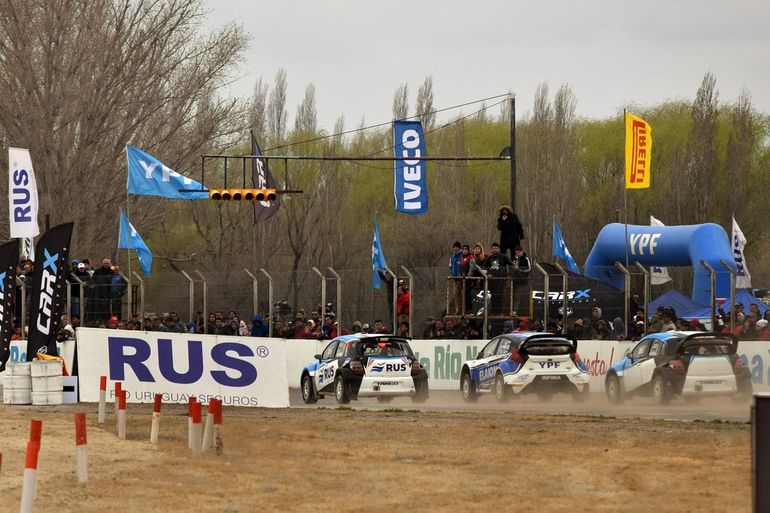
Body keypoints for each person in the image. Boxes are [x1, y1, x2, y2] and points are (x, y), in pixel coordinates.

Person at [483, 242, 514, 315]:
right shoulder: (489, 258)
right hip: (492, 281)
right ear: (491, 249)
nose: (494, 249)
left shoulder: (503, 257)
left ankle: (500, 312)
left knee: (500, 295)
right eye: (493, 248)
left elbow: (511, 265)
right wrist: (488, 274)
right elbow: (484, 268)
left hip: (501, 280)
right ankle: (494, 311)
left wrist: (509, 274)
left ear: (499, 249)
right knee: (493, 296)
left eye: (496, 248)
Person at [510, 246, 531, 315]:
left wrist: (518, 269)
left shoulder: (525, 259)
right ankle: (509, 309)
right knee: (510, 295)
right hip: (513, 280)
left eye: (519, 252)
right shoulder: (513, 259)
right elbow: (510, 268)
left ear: (522, 252)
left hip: (521, 280)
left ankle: (514, 311)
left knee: (517, 296)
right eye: (517, 252)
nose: (518, 253)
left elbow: (528, 269)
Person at [448, 241, 463, 315]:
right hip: (455, 278)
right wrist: (451, 273)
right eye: (454, 247)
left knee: (463, 294)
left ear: (459, 248)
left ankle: (464, 309)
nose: (455, 248)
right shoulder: (452, 257)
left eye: (457, 247)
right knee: (455, 294)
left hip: (462, 279)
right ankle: (458, 310)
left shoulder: (462, 255)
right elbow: (450, 266)